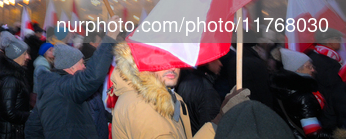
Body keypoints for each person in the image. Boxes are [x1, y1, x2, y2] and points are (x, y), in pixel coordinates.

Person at [111, 43, 249, 139]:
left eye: (175, 58)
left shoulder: (166, 97)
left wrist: (220, 119)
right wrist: (220, 119)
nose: (172, 67)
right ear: (144, 62)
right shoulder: (142, 105)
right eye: (162, 58)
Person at [25, 16, 120, 139]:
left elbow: (32, 128)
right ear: (70, 67)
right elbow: (92, 76)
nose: (84, 67)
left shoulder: (54, 86)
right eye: (81, 63)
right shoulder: (64, 87)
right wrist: (110, 37)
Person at [271, 48, 339, 138]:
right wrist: (338, 136)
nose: (313, 70)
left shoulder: (285, 89)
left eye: (312, 66)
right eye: (309, 67)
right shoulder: (304, 97)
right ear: (298, 70)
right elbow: (314, 133)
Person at [0, 32, 31, 139]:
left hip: (10, 131)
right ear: (16, 55)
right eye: (25, 54)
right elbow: (9, 113)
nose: (28, 57)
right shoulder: (10, 80)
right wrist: (30, 115)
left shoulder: (14, 75)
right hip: (8, 133)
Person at [307, 28, 346, 130]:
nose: (340, 42)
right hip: (330, 113)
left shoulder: (316, 55)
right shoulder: (327, 63)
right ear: (328, 41)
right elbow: (334, 90)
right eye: (337, 39)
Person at [176, 59, 223, 135]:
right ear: (208, 62)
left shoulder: (185, 81)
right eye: (217, 60)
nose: (220, 64)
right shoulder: (208, 91)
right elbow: (210, 127)